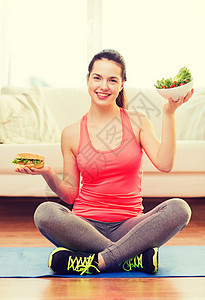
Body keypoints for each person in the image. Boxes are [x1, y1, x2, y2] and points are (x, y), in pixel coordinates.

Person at [16, 49, 193, 276]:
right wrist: (47, 172)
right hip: (85, 227)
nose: (103, 86)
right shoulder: (71, 133)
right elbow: (70, 195)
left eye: (112, 80)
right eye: (97, 78)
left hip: (130, 228)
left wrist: (169, 114)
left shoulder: (138, 121)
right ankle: (132, 257)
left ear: (122, 85)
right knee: (45, 212)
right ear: (87, 80)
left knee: (180, 208)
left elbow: (165, 164)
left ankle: (94, 260)